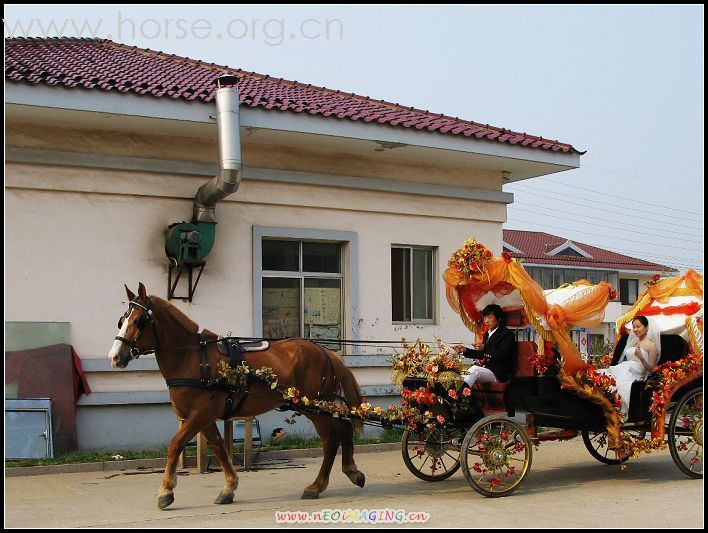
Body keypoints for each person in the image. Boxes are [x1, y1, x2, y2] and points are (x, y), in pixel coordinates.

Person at [600, 315, 660, 419]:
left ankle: (617, 409)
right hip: (627, 367)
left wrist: (641, 357)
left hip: (639, 371)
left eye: (638, 326)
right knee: (607, 375)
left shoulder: (651, 345)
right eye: (634, 327)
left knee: (621, 381)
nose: (635, 330)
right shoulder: (633, 342)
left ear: (646, 327)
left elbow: (652, 368)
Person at [454, 304, 516, 388]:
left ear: (499, 318)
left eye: (490, 317)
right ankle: (458, 394)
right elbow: (481, 354)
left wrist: (485, 348)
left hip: (499, 373)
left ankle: (461, 394)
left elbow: (502, 355)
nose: (486, 321)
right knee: (463, 371)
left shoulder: (507, 335)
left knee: (475, 370)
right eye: (484, 318)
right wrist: (465, 350)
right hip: (487, 370)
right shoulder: (487, 334)